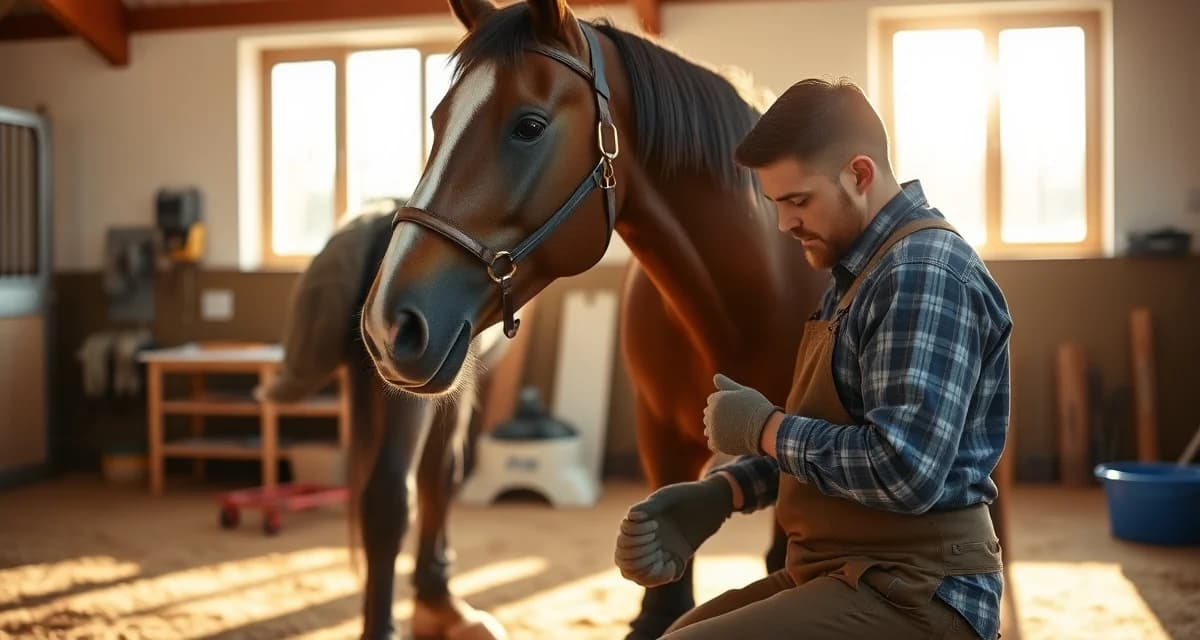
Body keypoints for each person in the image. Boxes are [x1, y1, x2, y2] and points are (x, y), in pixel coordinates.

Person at [613, 78, 1011, 640]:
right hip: (844, 568)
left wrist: (766, 428)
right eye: (775, 204)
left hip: (918, 590)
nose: (785, 224)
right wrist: (723, 492)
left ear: (860, 174)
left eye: (798, 201)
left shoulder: (922, 273)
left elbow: (905, 472)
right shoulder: (856, 273)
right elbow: (830, 435)